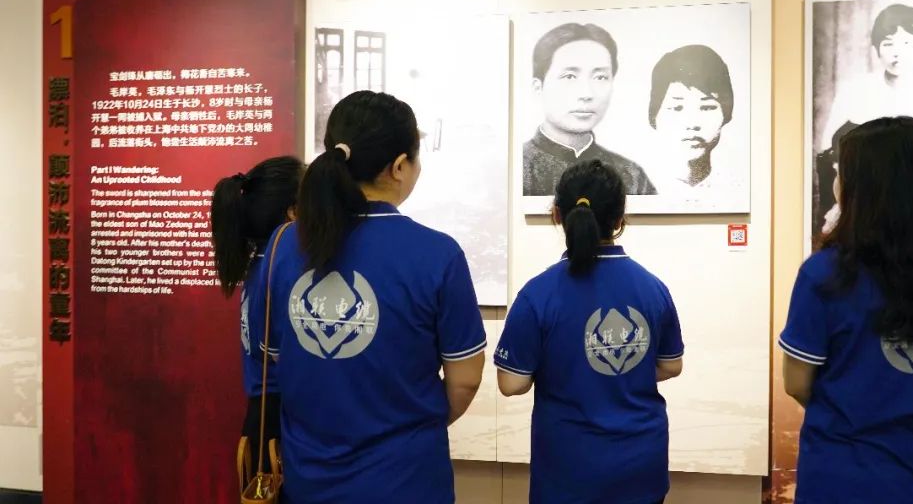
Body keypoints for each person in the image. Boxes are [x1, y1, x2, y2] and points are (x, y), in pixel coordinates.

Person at [256, 91, 487, 503]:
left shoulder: (283, 245)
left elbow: (276, 358)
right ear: (399, 167)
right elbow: (465, 379)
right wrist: (414, 422)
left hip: (309, 479)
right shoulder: (437, 254)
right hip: (407, 479)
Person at [781, 117, 913, 503]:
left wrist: (854, 410)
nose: (836, 183)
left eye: (842, 173)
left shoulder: (824, 273)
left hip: (842, 477)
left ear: (863, 188)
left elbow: (797, 384)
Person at [496, 159, 684, 504]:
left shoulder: (537, 295)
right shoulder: (653, 289)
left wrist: (572, 369)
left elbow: (511, 383)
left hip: (569, 471)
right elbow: (671, 365)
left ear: (557, 215)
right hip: (641, 466)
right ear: (620, 219)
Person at [210, 155, 303, 461]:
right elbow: (284, 357)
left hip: (265, 412)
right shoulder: (281, 270)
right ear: (293, 212)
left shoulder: (263, 263)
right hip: (278, 419)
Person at [819, 4, 913, 177]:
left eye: (906, 43)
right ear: (876, 49)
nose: (897, 52)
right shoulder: (854, 91)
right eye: (888, 44)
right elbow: (827, 148)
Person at [523, 22, 657, 197]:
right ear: (538, 87)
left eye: (600, 77)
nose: (586, 94)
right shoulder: (518, 168)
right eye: (570, 76)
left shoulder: (631, 176)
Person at [647, 44, 743, 202]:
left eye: (707, 107)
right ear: (654, 116)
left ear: (726, 114)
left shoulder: (736, 190)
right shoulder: (640, 186)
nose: (692, 123)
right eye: (677, 107)